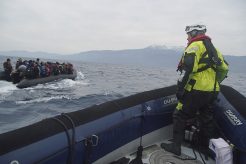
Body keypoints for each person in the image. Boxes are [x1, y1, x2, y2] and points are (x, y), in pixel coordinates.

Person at [161, 24, 228, 156]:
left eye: (188, 34)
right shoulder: (215, 49)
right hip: (212, 90)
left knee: (179, 115)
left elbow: (188, 70)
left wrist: (181, 89)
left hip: (196, 89)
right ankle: (203, 147)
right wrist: (215, 83)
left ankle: (176, 146)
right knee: (206, 118)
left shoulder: (194, 46)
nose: (187, 37)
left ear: (194, 33)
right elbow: (224, 69)